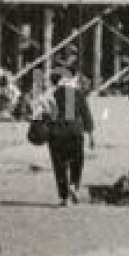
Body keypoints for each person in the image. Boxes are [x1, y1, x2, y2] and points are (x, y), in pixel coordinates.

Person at [45, 68, 95, 206]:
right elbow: (86, 115)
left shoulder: (53, 94)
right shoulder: (78, 94)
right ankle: (74, 185)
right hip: (75, 132)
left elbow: (45, 115)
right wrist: (91, 136)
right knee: (76, 162)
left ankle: (64, 197)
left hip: (57, 133)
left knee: (59, 166)